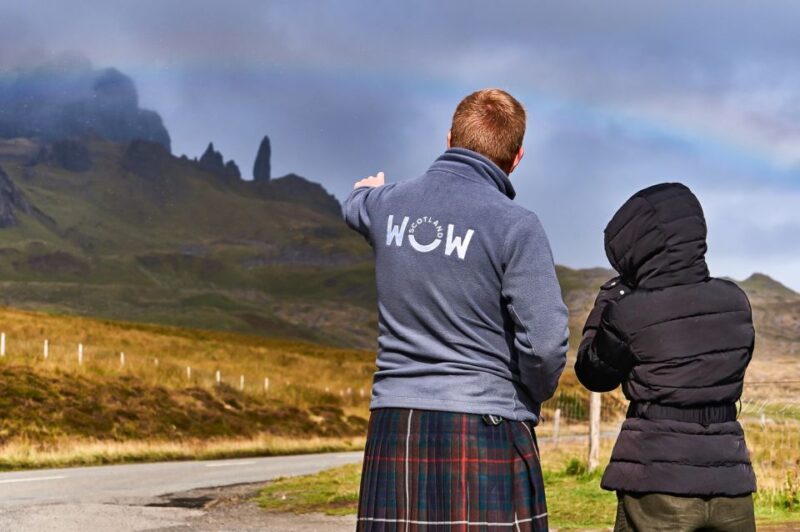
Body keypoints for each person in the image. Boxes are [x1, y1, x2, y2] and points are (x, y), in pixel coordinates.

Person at [342, 88, 569, 531]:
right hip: (487, 426)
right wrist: (532, 394)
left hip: (396, 424)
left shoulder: (386, 205)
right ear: (517, 157)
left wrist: (368, 189)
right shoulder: (516, 225)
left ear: (449, 139)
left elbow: (354, 204)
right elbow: (544, 344)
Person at [575, 183, 757, 532]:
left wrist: (607, 302)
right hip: (731, 480)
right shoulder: (737, 302)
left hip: (656, 481)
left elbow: (593, 373)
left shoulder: (630, 312)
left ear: (635, 246)